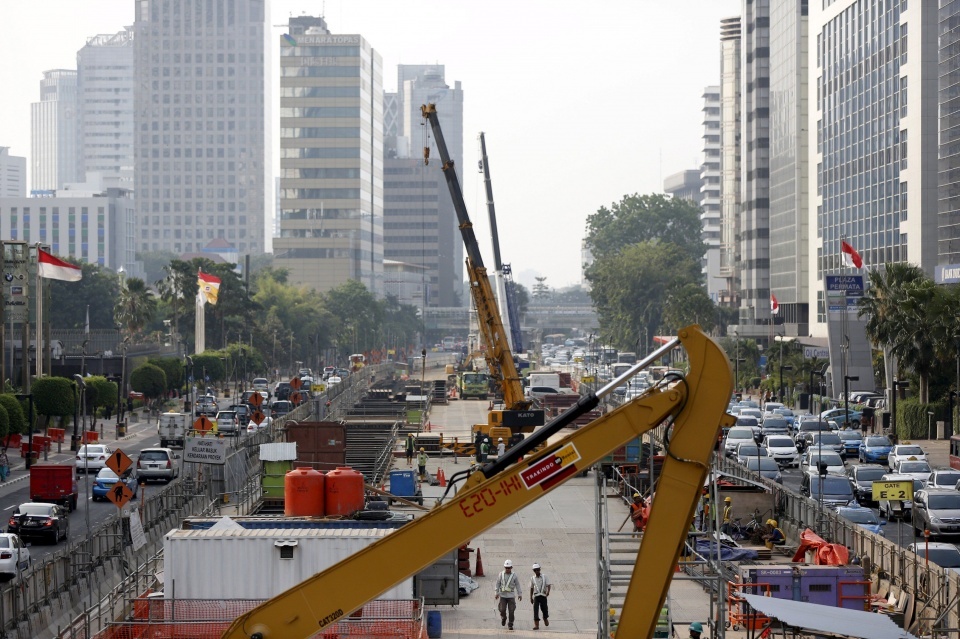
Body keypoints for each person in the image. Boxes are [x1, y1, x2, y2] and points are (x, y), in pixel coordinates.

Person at [495, 559, 521, 629]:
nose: (507, 569)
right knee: (502, 609)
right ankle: (503, 618)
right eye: (506, 568)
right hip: (503, 596)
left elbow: (517, 585)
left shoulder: (514, 575)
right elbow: (498, 583)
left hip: (511, 596)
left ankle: (510, 624)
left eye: (509, 568)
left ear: (511, 568)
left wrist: (519, 594)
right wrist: (496, 593)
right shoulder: (501, 574)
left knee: (511, 611)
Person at [529, 563, 551, 629]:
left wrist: (548, 592)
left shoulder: (544, 576)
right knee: (535, 609)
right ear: (533, 571)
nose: (537, 571)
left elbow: (548, 585)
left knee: (544, 609)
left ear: (540, 569)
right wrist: (531, 597)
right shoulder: (532, 578)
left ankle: (545, 618)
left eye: (538, 569)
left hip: (543, 595)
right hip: (536, 596)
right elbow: (531, 588)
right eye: (535, 570)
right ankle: (536, 625)